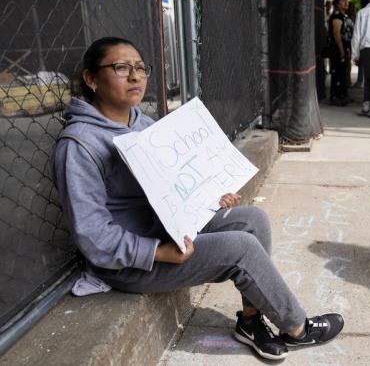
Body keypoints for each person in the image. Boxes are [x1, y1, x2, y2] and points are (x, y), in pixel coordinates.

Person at [51, 37, 344, 360]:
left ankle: (250, 321)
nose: (135, 76)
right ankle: (297, 329)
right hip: (133, 262)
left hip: (166, 231)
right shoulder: (79, 147)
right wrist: (157, 252)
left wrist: (207, 197)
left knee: (252, 219)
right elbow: (93, 236)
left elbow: (172, 186)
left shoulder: (143, 124)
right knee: (240, 248)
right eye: (121, 68)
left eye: (139, 67)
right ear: (91, 79)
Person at [328, 0, 354, 106]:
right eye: (343, 1)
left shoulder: (345, 16)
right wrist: (342, 50)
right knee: (338, 72)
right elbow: (336, 33)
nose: (346, 2)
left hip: (345, 48)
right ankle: (335, 97)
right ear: (337, 4)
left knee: (343, 73)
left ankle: (343, 95)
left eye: (347, 0)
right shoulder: (337, 16)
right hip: (338, 49)